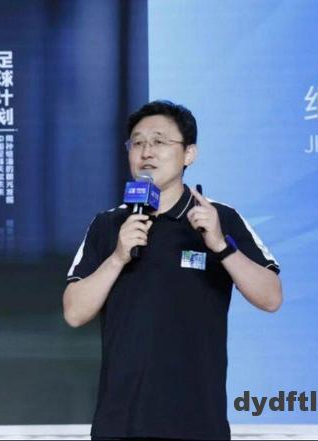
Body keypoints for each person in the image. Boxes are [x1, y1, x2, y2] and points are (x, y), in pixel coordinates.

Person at [63, 100, 283, 440]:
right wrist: (118, 257)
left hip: (197, 422)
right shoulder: (108, 225)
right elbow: (74, 313)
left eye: (159, 141)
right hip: (121, 423)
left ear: (189, 154)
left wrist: (221, 246)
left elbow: (271, 298)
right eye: (137, 142)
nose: (146, 152)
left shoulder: (219, 218)